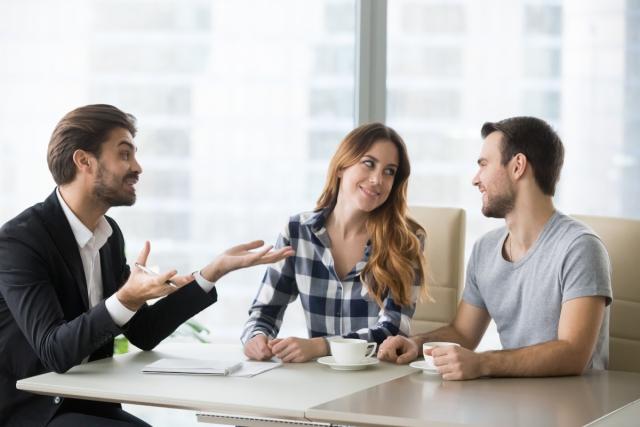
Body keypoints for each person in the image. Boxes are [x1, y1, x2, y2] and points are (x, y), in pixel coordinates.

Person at [0, 104, 293, 427]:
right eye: (124, 154)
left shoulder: (108, 237)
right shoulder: (20, 242)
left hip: (89, 405)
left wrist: (213, 271)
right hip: (33, 412)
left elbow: (143, 332)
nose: (137, 167)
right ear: (83, 161)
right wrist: (126, 297)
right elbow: (53, 350)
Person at [377, 116, 612, 380]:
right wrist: (417, 344)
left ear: (518, 166)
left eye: (484, 165)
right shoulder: (485, 250)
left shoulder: (580, 248)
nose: (476, 179)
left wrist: (483, 363)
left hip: (573, 408)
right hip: (511, 400)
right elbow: (463, 333)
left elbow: (573, 353)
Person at [241, 122, 427, 363]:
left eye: (389, 171)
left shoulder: (407, 241)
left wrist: (321, 346)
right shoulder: (297, 231)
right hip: (320, 381)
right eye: (369, 164)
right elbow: (264, 311)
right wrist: (256, 338)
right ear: (341, 167)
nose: (377, 180)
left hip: (379, 378)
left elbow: (392, 331)